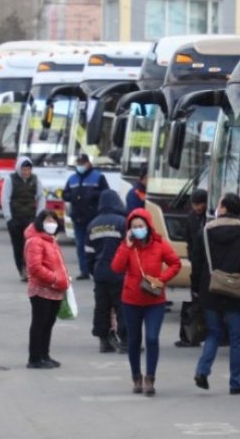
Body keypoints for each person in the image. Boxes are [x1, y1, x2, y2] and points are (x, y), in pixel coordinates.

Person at [191, 192, 240, 394]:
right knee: (236, 338)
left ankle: (202, 370)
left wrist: (195, 290)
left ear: (223, 209)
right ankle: (236, 382)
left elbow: (196, 265)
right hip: (235, 290)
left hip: (210, 289)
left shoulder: (205, 232)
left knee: (214, 333)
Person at [110, 208, 181, 396]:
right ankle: (136, 377)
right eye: (134, 227)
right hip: (131, 300)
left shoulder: (159, 244)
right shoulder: (127, 245)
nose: (138, 229)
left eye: (141, 226)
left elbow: (176, 264)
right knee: (134, 340)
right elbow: (116, 267)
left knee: (151, 338)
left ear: (148, 226)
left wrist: (162, 279)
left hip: (154, 301)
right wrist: (126, 245)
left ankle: (150, 378)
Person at [23, 210, 69, 369]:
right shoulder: (35, 241)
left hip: (55, 289)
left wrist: (63, 279)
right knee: (39, 323)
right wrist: (54, 278)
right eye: (48, 220)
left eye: (54, 220)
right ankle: (34, 358)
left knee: (48, 323)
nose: (52, 223)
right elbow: (35, 267)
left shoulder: (51, 240)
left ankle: (45, 355)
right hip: (41, 289)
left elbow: (59, 263)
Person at [86, 190, 128, 353]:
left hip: (100, 273)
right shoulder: (123, 223)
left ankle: (104, 341)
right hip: (120, 274)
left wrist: (94, 271)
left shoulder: (93, 224)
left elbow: (88, 253)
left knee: (102, 308)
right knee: (122, 308)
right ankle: (126, 342)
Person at [63, 153, 109, 280]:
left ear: (88, 163)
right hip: (78, 217)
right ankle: (84, 270)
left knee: (96, 244)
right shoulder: (72, 178)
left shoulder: (98, 177)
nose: (80, 166)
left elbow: (106, 193)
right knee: (80, 245)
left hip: (94, 217)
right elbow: (65, 194)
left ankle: (97, 269)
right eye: (78, 163)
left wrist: (94, 195)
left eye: (82, 163)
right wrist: (71, 196)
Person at [1, 157, 46, 281]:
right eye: (24, 169)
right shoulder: (10, 179)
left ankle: (29, 268)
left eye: (28, 169)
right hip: (15, 219)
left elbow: (41, 197)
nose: (26, 172)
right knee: (18, 246)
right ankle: (21, 269)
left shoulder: (35, 179)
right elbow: (5, 199)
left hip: (30, 219)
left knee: (30, 246)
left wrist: (39, 215)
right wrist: (8, 218)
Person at [176, 188, 208, 347]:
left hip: (208, 264)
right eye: (194, 205)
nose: (197, 207)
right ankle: (193, 334)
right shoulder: (191, 218)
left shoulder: (209, 217)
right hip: (196, 261)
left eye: (200, 204)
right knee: (195, 299)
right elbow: (188, 239)